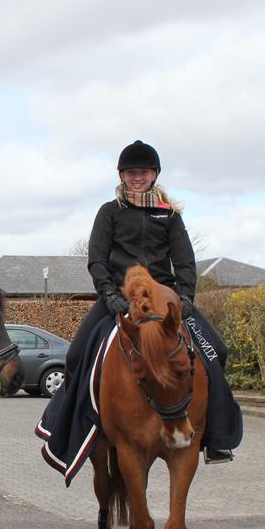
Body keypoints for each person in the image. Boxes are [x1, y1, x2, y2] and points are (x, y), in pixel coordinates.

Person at [67, 139, 242, 462]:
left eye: (144, 172)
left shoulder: (170, 215)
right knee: (75, 355)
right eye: (131, 173)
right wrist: (109, 295)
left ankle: (215, 437)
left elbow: (185, 262)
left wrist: (185, 298)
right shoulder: (109, 212)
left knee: (217, 351)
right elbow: (97, 260)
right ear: (122, 176)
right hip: (119, 298)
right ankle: (75, 431)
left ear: (155, 174)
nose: (137, 178)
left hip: (166, 299)